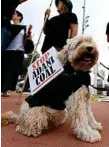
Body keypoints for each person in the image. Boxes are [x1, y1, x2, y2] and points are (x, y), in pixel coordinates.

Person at [1, 10, 34, 96]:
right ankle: (2, 88)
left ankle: (6, 89)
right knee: (4, 70)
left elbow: (28, 41)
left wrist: (29, 32)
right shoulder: (8, 27)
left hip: (18, 52)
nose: (13, 15)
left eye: (15, 14)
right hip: (8, 51)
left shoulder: (24, 29)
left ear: (19, 17)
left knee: (13, 71)